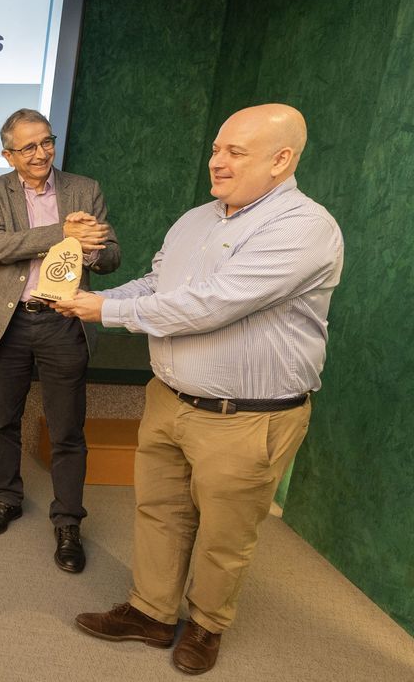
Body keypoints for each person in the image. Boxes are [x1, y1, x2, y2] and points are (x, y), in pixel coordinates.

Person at [59, 104, 343, 676]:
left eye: (235, 152)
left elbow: (211, 305)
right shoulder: (195, 219)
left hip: (246, 417)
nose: (216, 161)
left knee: (225, 533)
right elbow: (157, 283)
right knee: (159, 511)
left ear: (282, 159)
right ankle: (152, 613)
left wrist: (106, 310)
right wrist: (88, 295)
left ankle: (207, 626)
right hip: (169, 400)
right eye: (216, 148)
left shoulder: (305, 228)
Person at [0, 108, 120, 573]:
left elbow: (112, 257)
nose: (41, 153)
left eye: (46, 141)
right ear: (8, 154)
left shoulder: (84, 189)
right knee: (3, 418)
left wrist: (94, 249)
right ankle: (6, 496)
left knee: (67, 427)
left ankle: (69, 521)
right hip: (8, 321)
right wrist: (62, 233)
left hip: (62, 321)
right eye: (28, 147)